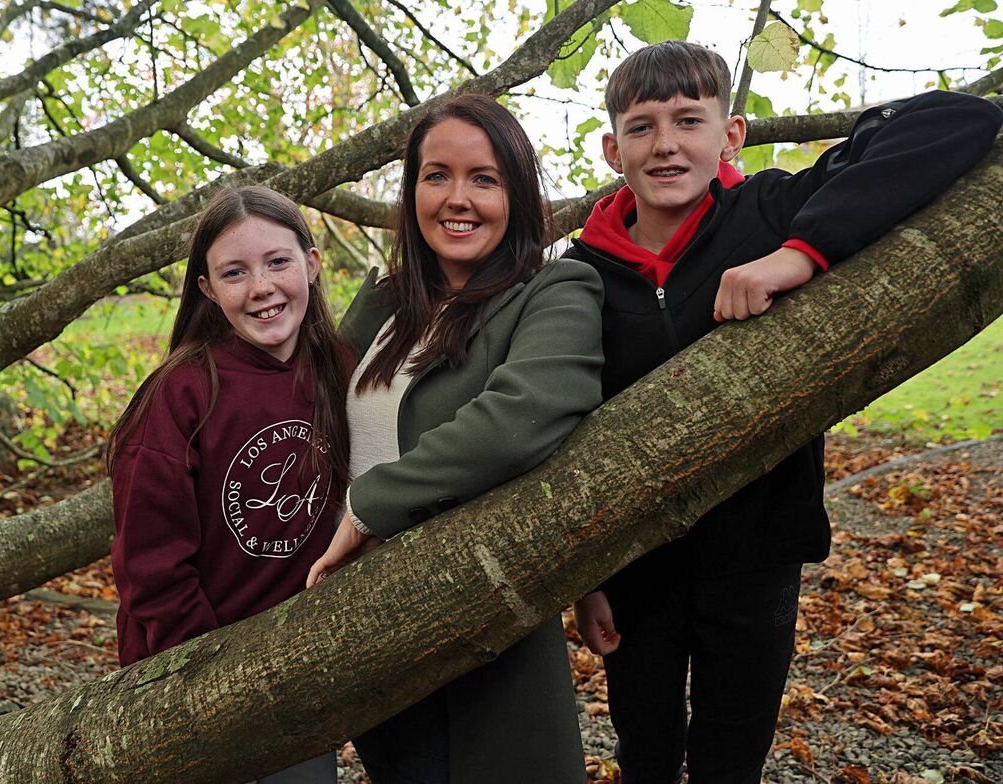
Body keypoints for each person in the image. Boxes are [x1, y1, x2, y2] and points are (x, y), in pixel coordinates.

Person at [565, 40, 1003, 784]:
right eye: (641, 127)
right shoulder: (580, 275)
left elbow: (956, 120)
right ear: (613, 149)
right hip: (637, 566)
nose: (665, 144)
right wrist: (584, 574)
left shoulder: (769, 208)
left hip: (758, 555)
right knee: (643, 747)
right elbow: (569, 428)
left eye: (688, 120)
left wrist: (799, 252)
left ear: (731, 135)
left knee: (732, 754)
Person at [305, 94, 605, 783]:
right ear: (411, 191)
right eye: (436, 175)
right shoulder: (386, 297)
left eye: (485, 178)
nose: (457, 198)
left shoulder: (555, 288)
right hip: (369, 619)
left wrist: (370, 503)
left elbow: (520, 414)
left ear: (518, 195)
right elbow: (309, 407)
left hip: (483, 611)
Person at [107, 185, 351, 784]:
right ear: (208, 290)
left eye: (278, 262)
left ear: (312, 264)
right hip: (185, 677)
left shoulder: (340, 373)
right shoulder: (182, 393)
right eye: (234, 273)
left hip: (297, 670)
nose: (262, 287)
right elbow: (151, 568)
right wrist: (218, 675)